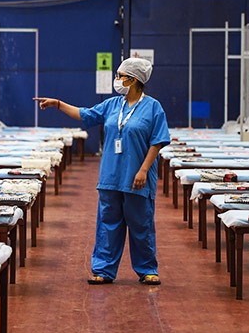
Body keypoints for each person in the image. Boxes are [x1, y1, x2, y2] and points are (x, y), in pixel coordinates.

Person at [33, 57, 170, 285]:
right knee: (108, 224)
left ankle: (147, 269)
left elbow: (158, 141)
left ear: (133, 80)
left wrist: (144, 170)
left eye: (120, 75)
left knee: (141, 225)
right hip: (110, 177)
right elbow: (85, 115)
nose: (117, 80)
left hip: (137, 177)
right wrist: (58, 104)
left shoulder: (153, 107)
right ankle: (104, 270)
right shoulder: (112, 105)